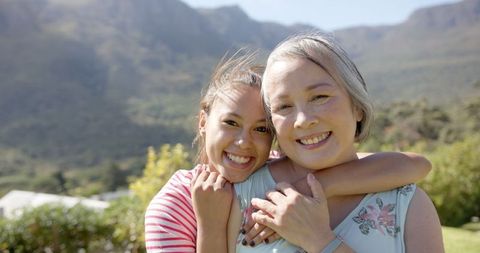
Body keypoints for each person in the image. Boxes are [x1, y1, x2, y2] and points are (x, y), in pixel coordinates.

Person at [144, 51, 432, 253]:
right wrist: (211, 225)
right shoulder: (173, 205)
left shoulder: (275, 169)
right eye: (231, 123)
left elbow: (414, 165)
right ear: (203, 122)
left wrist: (313, 188)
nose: (244, 142)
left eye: (261, 129)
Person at [231, 33, 444, 252]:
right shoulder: (239, 195)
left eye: (320, 97)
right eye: (284, 107)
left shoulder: (408, 206)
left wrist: (321, 241)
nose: (303, 120)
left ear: (358, 106)